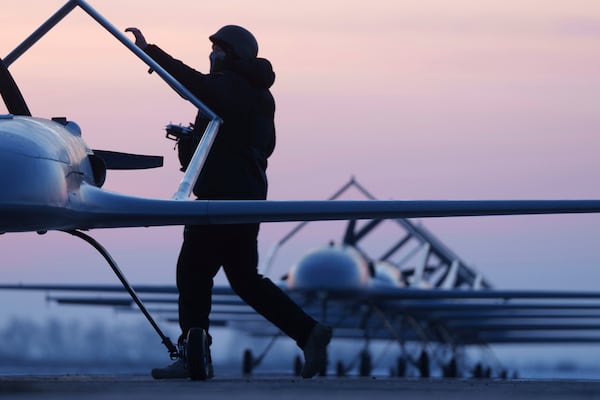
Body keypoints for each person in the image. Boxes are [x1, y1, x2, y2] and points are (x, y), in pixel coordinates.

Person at [125, 25, 332, 379]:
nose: (211, 56)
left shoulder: (234, 87)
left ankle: (193, 356)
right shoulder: (247, 91)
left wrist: (151, 53)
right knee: (244, 279)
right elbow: (237, 139)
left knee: (192, 273)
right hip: (244, 198)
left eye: (218, 50)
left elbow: (195, 85)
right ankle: (308, 332)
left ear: (234, 56)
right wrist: (191, 139)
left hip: (223, 200)